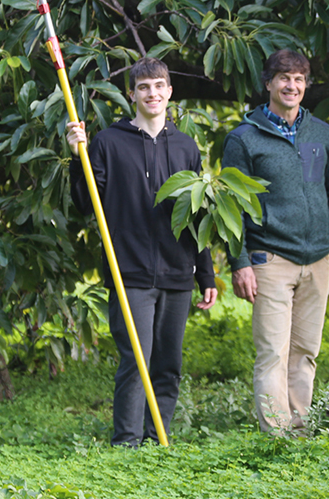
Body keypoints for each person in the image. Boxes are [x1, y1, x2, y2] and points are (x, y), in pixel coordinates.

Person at [65, 57, 218, 446]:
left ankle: (157, 438)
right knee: (136, 361)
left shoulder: (186, 147)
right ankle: (127, 442)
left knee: (168, 365)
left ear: (170, 92)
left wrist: (206, 275)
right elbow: (86, 203)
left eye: (159, 86)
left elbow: (198, 215)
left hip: (178, 271)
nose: (152, 93)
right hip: (128, 271)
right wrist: (76, 156)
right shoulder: (107, 143)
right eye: (144, 87)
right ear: (131, 94)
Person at [221, 49, 329, 433]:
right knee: (273, 353)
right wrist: (240, 261)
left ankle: (301, 428)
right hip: (270, 257)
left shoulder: (321, 134)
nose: (291, 86)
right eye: (284, 78)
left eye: (299, 79)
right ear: (269, 84)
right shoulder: (243, 139)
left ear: (306, 85)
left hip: (318, 260)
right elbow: (230, 204)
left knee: (305, 351)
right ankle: (277, 436)